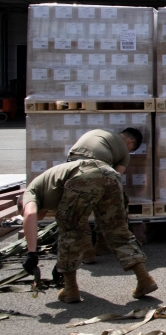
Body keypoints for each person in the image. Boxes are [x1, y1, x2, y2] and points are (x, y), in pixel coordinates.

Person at [20, 159, 157, 303]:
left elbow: (30, 215)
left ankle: (70, 289)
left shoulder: (30, 192)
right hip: (109, 174)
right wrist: (61, 264)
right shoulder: (50, 188)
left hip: (84, 175)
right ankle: (144, 279)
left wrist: (31, 253)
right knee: (117, 230)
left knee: (69, 231)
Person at [67, 128, 142, 263]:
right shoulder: (124, 152)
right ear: (130, 142)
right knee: (108, 203)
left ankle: (86, 252)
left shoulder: (96, 133)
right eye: (132, 149)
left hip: (71, 165)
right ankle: (102, 245)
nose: (129, 151)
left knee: (78, 211)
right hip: (96, 169)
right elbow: (115, 177)